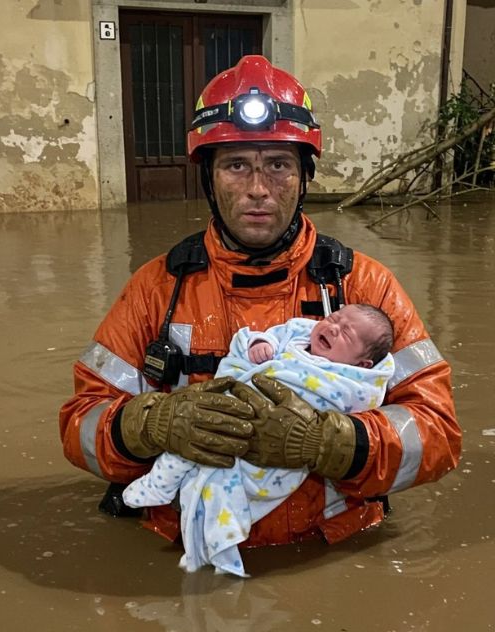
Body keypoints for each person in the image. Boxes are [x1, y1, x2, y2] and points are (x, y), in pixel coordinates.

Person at [59, 55, 462, 555]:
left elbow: (438, 434)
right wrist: (150, 424)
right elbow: (80, 429)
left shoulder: (364, 286)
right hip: (188, 549)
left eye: (278, 165)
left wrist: (333, 443)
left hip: (331, 549)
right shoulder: (155, 290)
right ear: (209, 178)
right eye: (236, 165)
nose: (257, 189)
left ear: (304, 176)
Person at [122, 303, 395, 576]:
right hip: (169, 535)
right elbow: (96, 409)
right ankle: (169, 493)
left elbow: (420, 427)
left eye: (346, 333)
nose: (334, 328)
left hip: (324, 551)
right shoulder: (154, 291)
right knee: (200, 450)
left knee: (221, 475)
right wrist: (149, 423)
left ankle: (218, 534)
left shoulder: (368, 290)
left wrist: (325, 442)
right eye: (333, 318)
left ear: (364, 365)